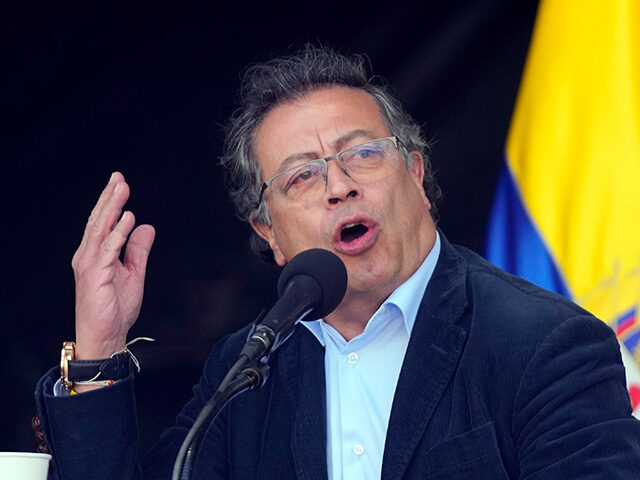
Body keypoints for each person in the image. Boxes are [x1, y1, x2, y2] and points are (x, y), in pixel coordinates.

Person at [35, 45, 640, 479]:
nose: (339, 186)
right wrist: (99, 349)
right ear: (268, 232)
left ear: (418, 174)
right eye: (302, 175)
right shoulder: (246, 370)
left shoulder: (547, 345)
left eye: (363, 155)